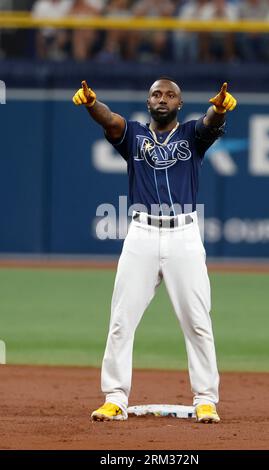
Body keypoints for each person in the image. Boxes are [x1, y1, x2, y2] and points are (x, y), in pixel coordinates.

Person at [72, 77, 237, 423]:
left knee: (197, 321)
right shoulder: (133, 135)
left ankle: (205, 399)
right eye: (156, 94)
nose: (162, 99)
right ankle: (115, 398)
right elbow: (110, 119)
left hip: (184, 236)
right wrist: (91, 105)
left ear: (179, 103)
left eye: (170, 95)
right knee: (121, 320)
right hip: (142, 235)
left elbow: (211, 123)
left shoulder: (192, 134)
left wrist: (219, 109)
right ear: (148, 102)